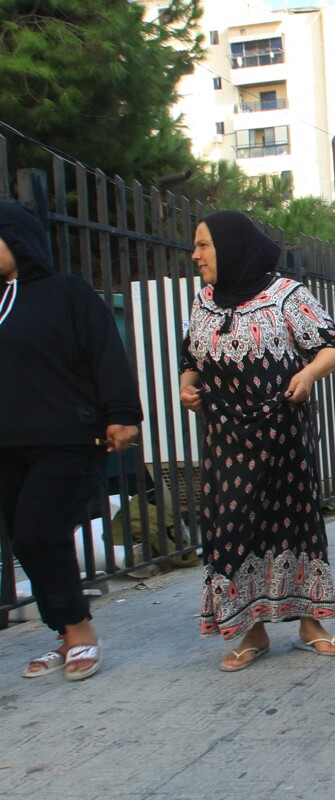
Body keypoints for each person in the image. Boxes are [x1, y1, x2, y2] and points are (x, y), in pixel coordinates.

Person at [180, 210, 335, 671]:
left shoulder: (286, 295)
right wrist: (187, 387)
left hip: (282, 432)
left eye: (203, 245)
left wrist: (309, 375)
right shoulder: (204, 302)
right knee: (231, 528)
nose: (195, 255)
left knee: (293, 522)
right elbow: (190, 357)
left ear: (231, 247)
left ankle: (311, 624)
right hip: (225, 436)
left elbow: (333, 344)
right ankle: (249, 630)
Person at [0, 200, 142, 682]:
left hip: (67, 438)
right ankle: (64, 634)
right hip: (6, 445)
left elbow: (106, 352)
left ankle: (79, 629)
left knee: (38, 531)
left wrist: (121, 414)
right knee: (25, 538)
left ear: (17, 239)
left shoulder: (66, 292)